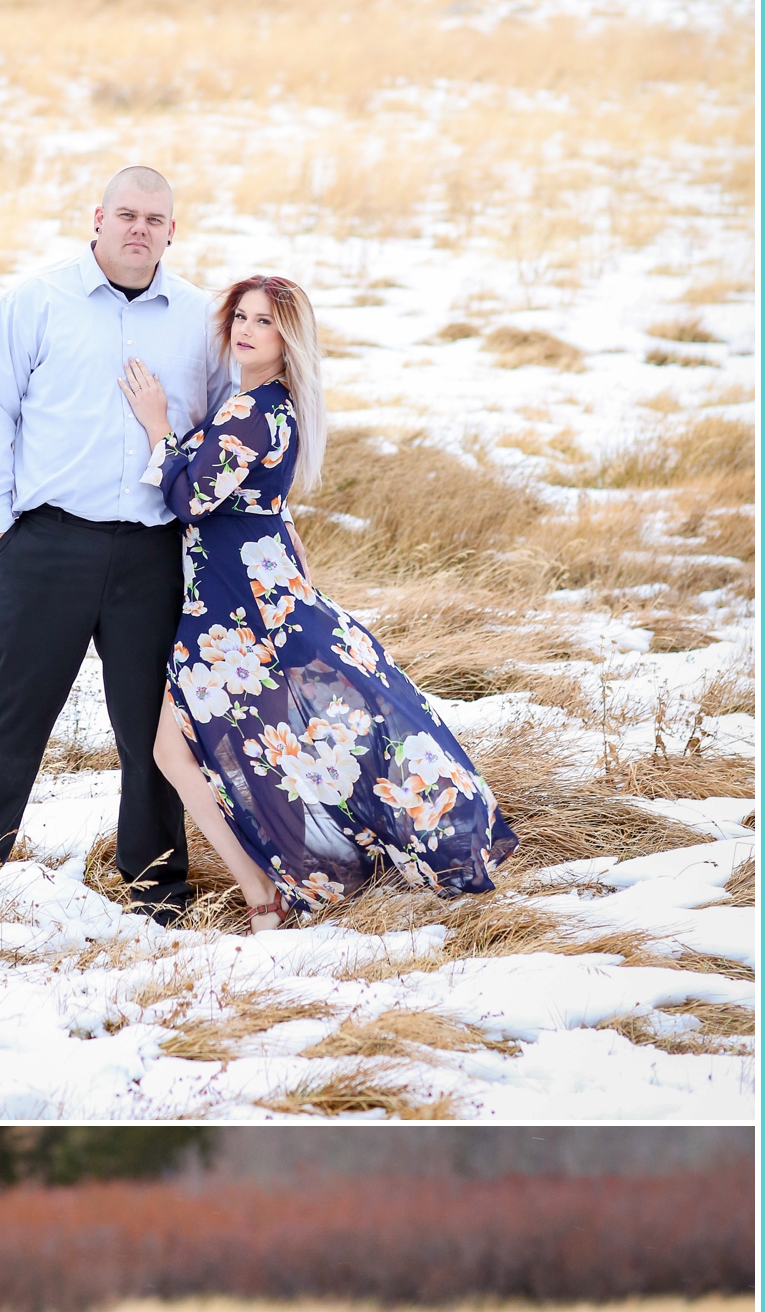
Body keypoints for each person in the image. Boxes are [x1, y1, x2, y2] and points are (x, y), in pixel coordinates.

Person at [120, 274, 517, 929]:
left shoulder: (254, 409)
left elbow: (190, 500)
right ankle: (281, 887)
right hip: (245, 596)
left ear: (289, 339)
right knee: (280, 744)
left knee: (231, 746)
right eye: (241, 317)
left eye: (264, 322)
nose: (246, 330)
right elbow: (238, 492)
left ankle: (276, 891)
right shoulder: (267, 404)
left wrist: (159, 424)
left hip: (241, 613)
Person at [0, 166, 228, 927]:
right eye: (126, 214)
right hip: (48, 544)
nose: (139, 229)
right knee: (15, 712)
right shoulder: (38, 300)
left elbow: (221, 427)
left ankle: (157, 888)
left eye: (155, 219)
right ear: (97, 218)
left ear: (172, 230)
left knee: (151, 726)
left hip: (153, 556)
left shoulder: (198, 320)